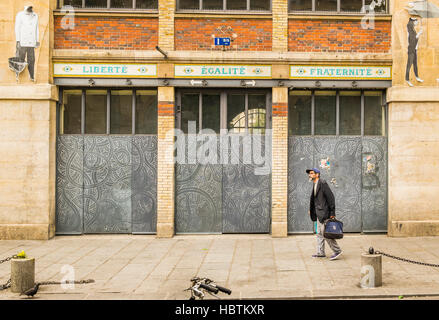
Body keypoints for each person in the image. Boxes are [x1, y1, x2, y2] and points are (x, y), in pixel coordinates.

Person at [306, 168, 342, 260]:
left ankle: (337, 250)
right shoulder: (315, 183)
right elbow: (316, 199)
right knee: (319, 233)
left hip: (324, 213)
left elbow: (331, 198)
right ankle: (320, 252)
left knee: (325, 233)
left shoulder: (322, 183)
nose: (309, 175)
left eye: (311, 173)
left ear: (317, 174)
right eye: (309, 173)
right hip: (318, 213)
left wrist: (332, 213)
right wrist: (312, 210)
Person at [15, 5, 39, 82]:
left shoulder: (35, 15)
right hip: (22, 41)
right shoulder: (20, 15)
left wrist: (37, 40)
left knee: (31, 60)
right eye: (28, 8)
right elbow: (17, 27)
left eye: (31, 8)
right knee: (20, 59)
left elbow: (36, 28)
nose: (30, 10)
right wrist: (18, 40)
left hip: (31, 42)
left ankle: (31, 76)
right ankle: (17, 75)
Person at [405, 17, 423, 87]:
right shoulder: (410, 30)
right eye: (416, 21)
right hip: (411, 50)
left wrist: (418, 34)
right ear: (413, 22)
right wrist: (419, 34)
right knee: (409, 65)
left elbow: (415, 40)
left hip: (414, 50)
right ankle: (407, 79)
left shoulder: (413, 30)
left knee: (415, 64)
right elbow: (412, 40)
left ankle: (417, 77)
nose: (417, 22)